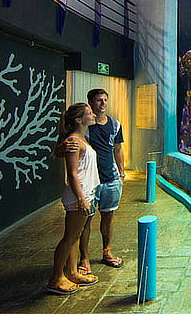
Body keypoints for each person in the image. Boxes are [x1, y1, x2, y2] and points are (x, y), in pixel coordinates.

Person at [63, 89, 125, 274]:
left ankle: (107, 251)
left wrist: (121, 173)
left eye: (106, 100)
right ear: (91, 103)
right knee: (84, 223)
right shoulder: (83, 127)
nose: (103, 103)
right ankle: (85, 258)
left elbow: (118, 149)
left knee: (108, 217)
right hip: (90, 184)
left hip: (111, 180)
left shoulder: (115, 124)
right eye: (99, 100)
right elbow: (66, 148)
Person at [47, 103, 100, 295]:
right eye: (89, 113)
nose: (93, 115)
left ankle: (71, 272)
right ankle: (56, 278)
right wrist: (81, 199)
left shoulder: (81, 139)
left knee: (74, 236)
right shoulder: (73, 141)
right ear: (78, 119)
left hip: (85, 193)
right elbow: (72, 174)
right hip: (80, 195)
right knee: (69, 238)